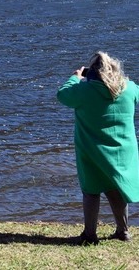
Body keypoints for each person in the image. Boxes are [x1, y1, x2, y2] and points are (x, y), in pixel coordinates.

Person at [57, 51, 139, 245]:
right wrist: (123, 80)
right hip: (122, 150)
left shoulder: (84, 91)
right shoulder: (129, 88)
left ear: (93, 72)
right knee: (116, 189)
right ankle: (123, 231)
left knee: (91, 190)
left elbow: (62, 95)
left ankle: (90, 234)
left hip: (91, 150)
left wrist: (75, 77)